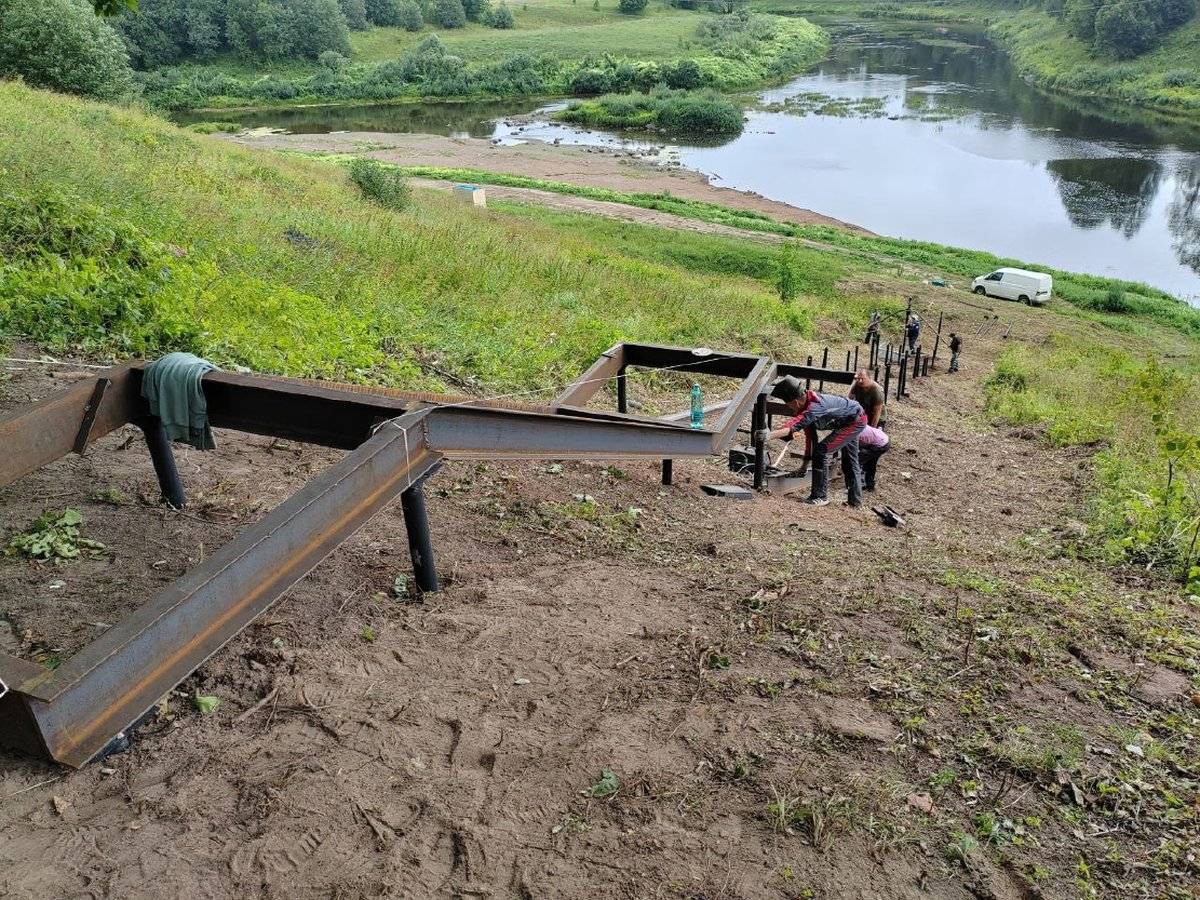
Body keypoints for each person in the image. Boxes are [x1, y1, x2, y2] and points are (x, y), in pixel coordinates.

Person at [760, 376, 866, 507]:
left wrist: (768, 436)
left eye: (788, 405)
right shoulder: (807, 405)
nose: (790, 408)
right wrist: (803, 467)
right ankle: (855, 503)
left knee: (823, 451)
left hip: (855, 421)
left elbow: (793, 427)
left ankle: (820, 496)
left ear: (796, 401)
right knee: (847, 459)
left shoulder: (814, 408)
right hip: (851, 418)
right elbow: (811, 439)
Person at [858, 424, 889, 492]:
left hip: (880, 444)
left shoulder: (855, 433)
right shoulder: (859, 424)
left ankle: (859, 485)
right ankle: (869, 485)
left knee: (857, 462)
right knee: (871, 463)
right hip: (882, 440)